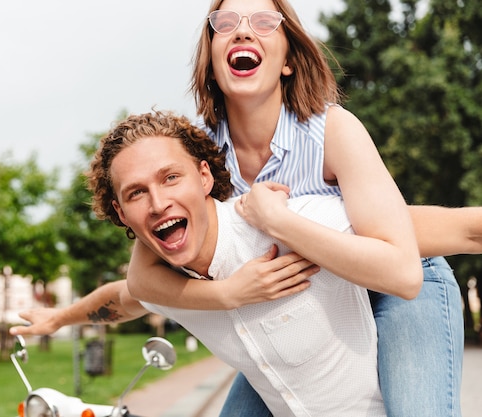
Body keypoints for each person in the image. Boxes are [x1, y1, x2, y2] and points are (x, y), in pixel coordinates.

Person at [123, 1, 470, 416]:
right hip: (312, 301)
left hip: (397, 286)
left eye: (265, 22)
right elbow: (140, 279)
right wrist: (228, 293)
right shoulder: (198, 157)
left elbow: (409, 263)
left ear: (288, 60)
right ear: (211, 61)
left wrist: (278, 221)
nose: (243, 31)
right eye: (225, 23)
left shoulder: (332, 131)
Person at [10, 111, 482, 416]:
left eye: (170, 178)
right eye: (136, 193)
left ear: (202, 175)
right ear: (120, 213)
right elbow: (118, 299)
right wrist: (57, 318)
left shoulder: (282, 223)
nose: (156, 203)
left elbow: (456, 230)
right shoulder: (164, 284)